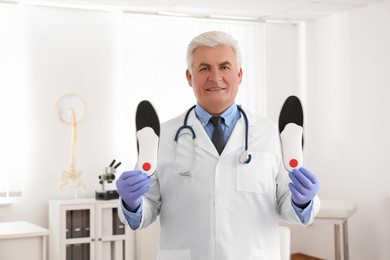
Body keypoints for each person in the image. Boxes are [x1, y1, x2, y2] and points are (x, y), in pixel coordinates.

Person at [116, 31, 320, 260]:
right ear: (189, 77)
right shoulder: (161, 136)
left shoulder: (272, 134)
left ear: (239, 74)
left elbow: (288, 207)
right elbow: (148, 207)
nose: (215, 77)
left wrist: (302, 202)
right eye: (204, 68)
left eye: (224, 67)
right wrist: (132, 204)